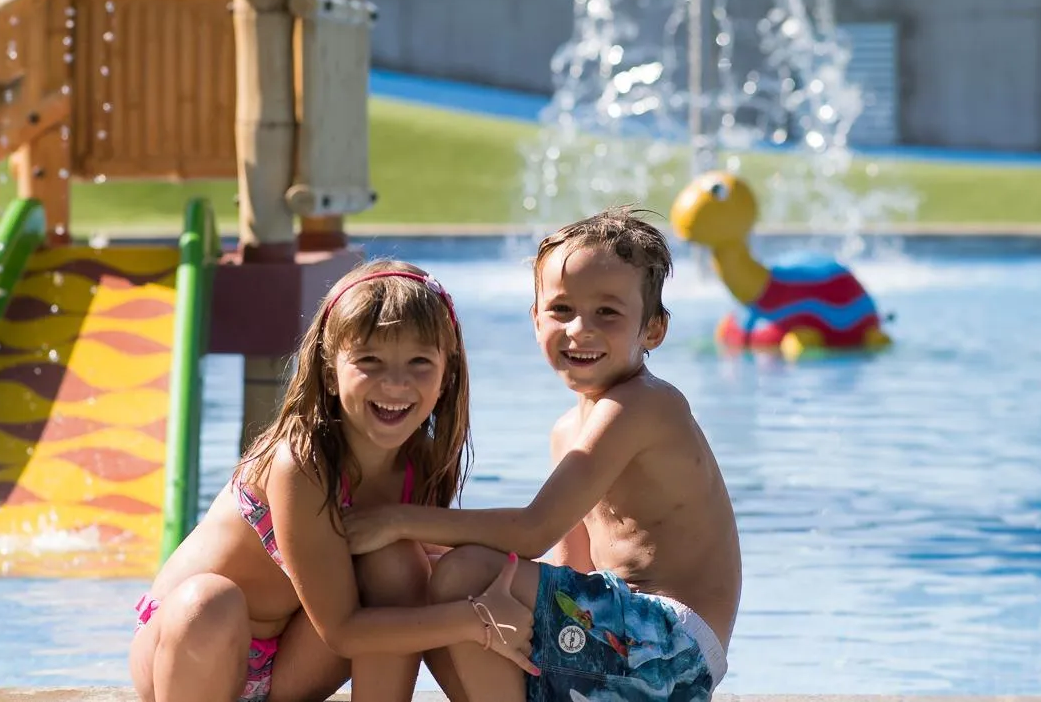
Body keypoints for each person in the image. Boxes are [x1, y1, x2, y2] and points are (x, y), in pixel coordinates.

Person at [345, 210, 741, 702]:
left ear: (653, 330)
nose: (580, 329)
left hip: (674, 646)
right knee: (442, 584)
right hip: (617, 636)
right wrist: (423, 551)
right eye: (561, 310)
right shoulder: (568, 431)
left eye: (607, 313)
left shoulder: (643, 404)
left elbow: (532, 530)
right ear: (535, 320)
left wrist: (397, 521)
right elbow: (567, 568)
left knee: (465, 574)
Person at [129, 259, 538, 702]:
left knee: (399, 564)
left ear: (447, 373)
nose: (396, 383)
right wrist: (474, 619)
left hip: (291, 657)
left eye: (419, 361)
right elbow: (343, 631)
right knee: (209, 602)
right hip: (190, 649)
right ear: (329, 371)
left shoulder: (420, 460)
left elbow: (450, 559)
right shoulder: (300, 462)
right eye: (369, 360)